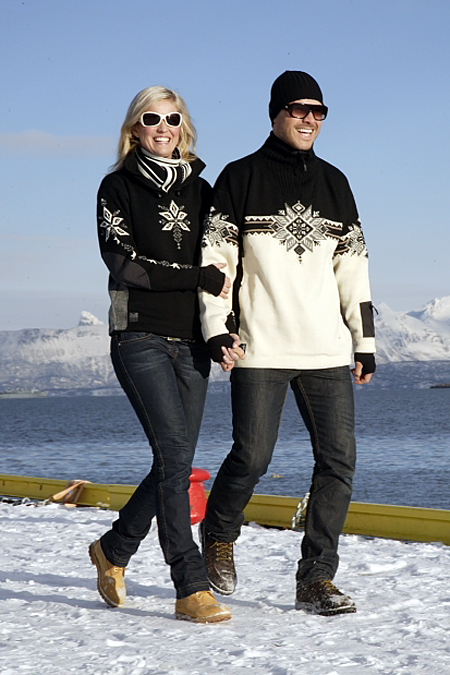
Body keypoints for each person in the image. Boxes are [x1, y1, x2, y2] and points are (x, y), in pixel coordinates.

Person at [198, 71, 376, 616]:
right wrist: (215, 327)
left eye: (319, 111)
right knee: (252, 456)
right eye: (299, 109)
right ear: (276, 113)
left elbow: (354, 270)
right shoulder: (239, 177)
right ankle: (219, 533)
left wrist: (363, 342)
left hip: (327, 349)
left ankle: (316, 579)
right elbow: (216, 263)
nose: (310, 119)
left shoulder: (335, 183)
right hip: (261, 346)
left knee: (338, 462)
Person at [89, 86, 232, 623]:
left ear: (184, 126)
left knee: (174, 461)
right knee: (174, 453)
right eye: (151, 118)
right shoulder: (116, 187)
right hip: (139, 336)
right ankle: (190, 586)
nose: (163, 127)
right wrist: (197, 277)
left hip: (192, 341)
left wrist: (225, 330)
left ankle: (114, 548)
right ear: (135, 128)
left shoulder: (204, 191)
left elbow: (224, 264)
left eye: (173, 118)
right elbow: (125, 266)